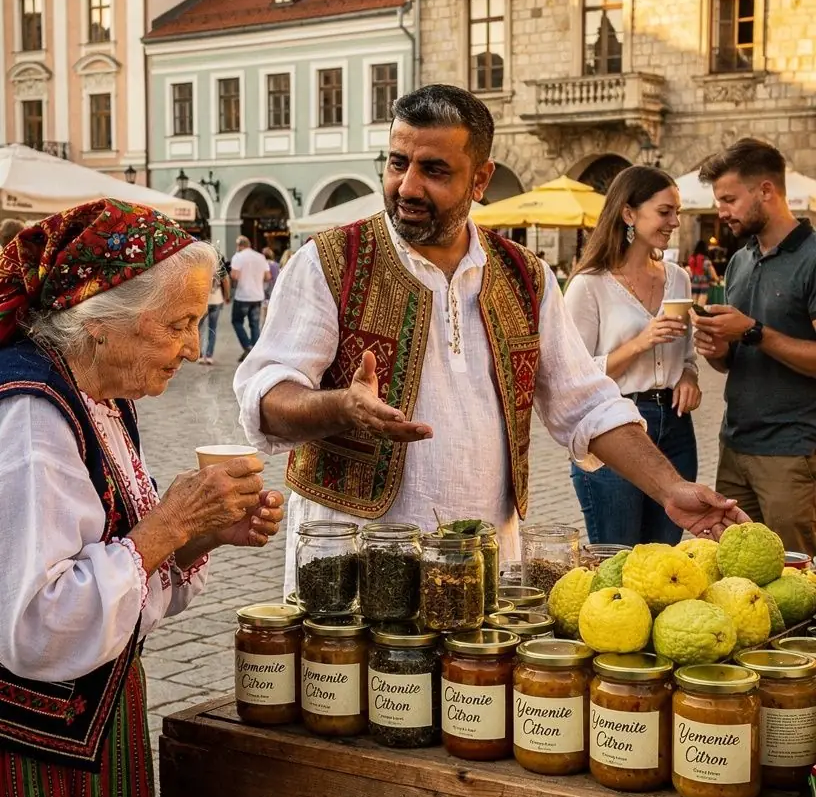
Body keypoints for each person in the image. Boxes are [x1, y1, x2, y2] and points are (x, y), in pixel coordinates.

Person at [0, 199, 284, 797]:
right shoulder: (31, 420)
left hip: (89, 730)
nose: (192, 348)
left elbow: (124, 572)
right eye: (177, 324)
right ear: (98, 316)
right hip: (28, 759)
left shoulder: (97, 395)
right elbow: (37, 626)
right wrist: (168, 529)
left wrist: (199, 537)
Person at [234, 83, 743, 591]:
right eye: (396, 163)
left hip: (484, 562)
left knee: (470, 675)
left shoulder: (525, 276)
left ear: (481, 179)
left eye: (433, 170)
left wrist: (671, 487)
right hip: (352, 565)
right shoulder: (329, 261)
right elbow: (267, 393)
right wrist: (340, 406)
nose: (407, 186)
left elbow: (586, 404)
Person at [692, 137, 816, 554]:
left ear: (766, 190)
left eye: (729, 199)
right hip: (734, 447)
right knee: (737, 577)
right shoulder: (740, 259)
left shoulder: (813, 257)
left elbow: (757, 334)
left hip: (793, 453)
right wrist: (717, 349)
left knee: (798, 580)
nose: (721, 211)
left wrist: (753, 331)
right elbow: (736, 359)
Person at [564, 167, 700, 546]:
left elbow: (687, 356)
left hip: (675, 428)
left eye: (677, 212)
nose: (674, 221)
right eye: (664, 211)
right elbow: (573, 377)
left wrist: (689, 377)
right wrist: (640, 343)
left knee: (665, 557)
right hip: (614, 427)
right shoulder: (589, 285)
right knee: (618, 555)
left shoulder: (678, 278)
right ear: (628, 213)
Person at [230, 235, 268, 360]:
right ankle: (254, 353)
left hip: (242, 296)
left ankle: (247, 346)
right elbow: (268, 276)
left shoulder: (238, 257)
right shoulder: (261, 257)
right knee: (254, 325)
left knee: (237, 321)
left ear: (240, 245)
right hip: (257, 296)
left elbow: (234, 276)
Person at [198, 255, 231, 364]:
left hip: (203, 302)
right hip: (216, 301)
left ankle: (199, 354)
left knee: (199, 328)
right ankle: (209, 355)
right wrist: (227, 296)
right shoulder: (220, 268)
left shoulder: (201, 267)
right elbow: (226, 282)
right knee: (212, 328)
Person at [686, 239, 719, 306]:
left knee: (694, 298)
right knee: (702, 298)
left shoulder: (692, 258)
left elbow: (689, 270)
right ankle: (700, 313)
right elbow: (710, 269)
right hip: (704, 281)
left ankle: (694, 314)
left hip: (694, 280)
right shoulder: (704, 258)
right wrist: (716, 279)